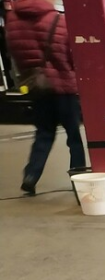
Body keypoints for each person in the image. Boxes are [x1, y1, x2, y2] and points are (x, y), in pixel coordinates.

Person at [5, 0, 86, 195]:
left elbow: (14, 52)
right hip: (64, 88)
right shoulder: (58, 19)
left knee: (43, 133)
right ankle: (79, 177)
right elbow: (70, 53)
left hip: (38, 87)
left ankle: (31, 176)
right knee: (74, 136)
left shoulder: (13, 20)